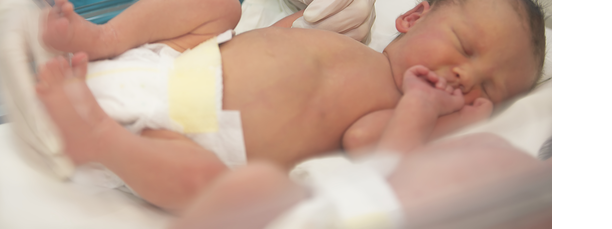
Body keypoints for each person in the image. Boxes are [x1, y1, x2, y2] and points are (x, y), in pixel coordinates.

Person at [34, 0, 546, 212]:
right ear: (412, 18)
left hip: (181, 135)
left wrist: (433, 111)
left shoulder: (387, 109)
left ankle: (99, 139)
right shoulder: (350, 39)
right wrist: (316, 2)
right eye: (464, 46)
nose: (464, 75)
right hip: (174, 61)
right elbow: (272, 36)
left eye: (486, 89)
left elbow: (383, 160)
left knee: (207, 187)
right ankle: (105, 38)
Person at [169, 67, 552, 229]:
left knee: (256, 184)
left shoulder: (538, 196)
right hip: (349, 206)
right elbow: (394, 161)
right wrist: (424, 106)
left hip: (364, 210)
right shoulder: (496, 149)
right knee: (256, 185)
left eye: (488, 90)